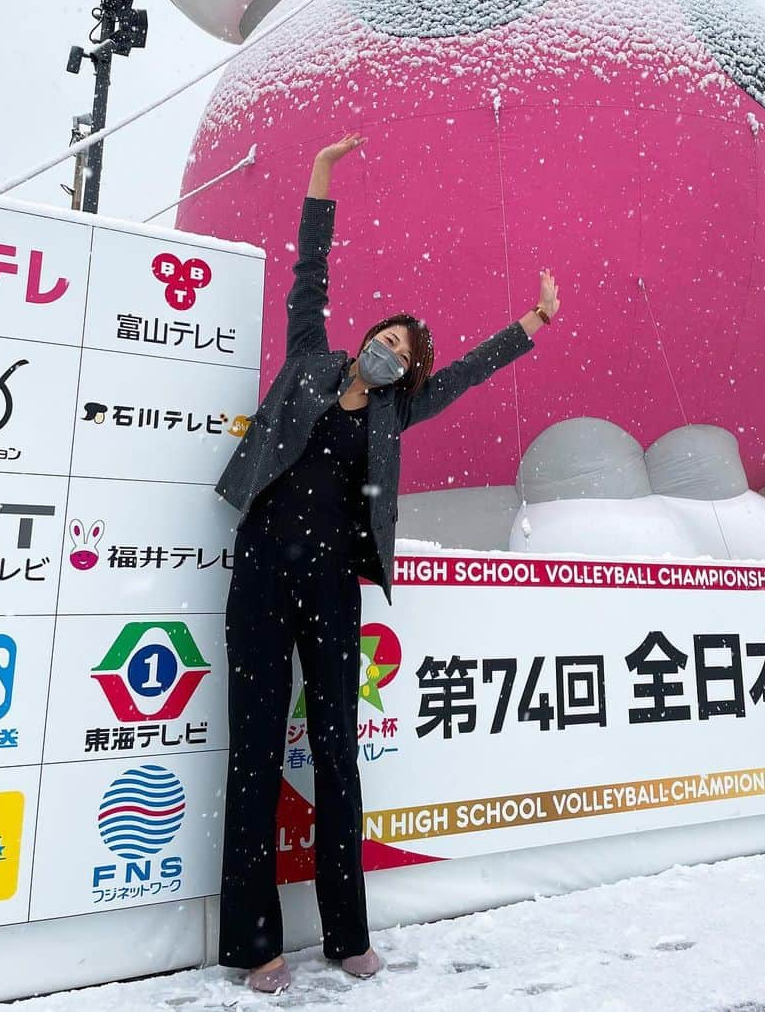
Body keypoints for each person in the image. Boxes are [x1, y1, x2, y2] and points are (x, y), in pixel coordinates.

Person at [214, 131, 561, 994]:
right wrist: (321, 178)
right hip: (262, 569)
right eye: (389, 341)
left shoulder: (396, 416)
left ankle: (346, 933)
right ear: (365, 338)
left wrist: (532, 324)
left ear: (411, 375)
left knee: (337, 753)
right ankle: (255, 941)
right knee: (254, 750)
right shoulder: (307, 365)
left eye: (406, 356)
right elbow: (309, 281)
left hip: (334, 584)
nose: (392, 354)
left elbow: (472, 371)